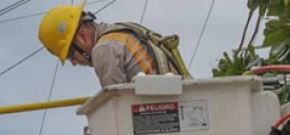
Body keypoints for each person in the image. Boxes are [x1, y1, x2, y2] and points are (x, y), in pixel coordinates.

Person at [37, 0, 191, 88]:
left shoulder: (103, 49)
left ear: (82, 36)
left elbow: (116, 109)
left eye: (71, 55)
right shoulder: (123, 31)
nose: (75, 63)